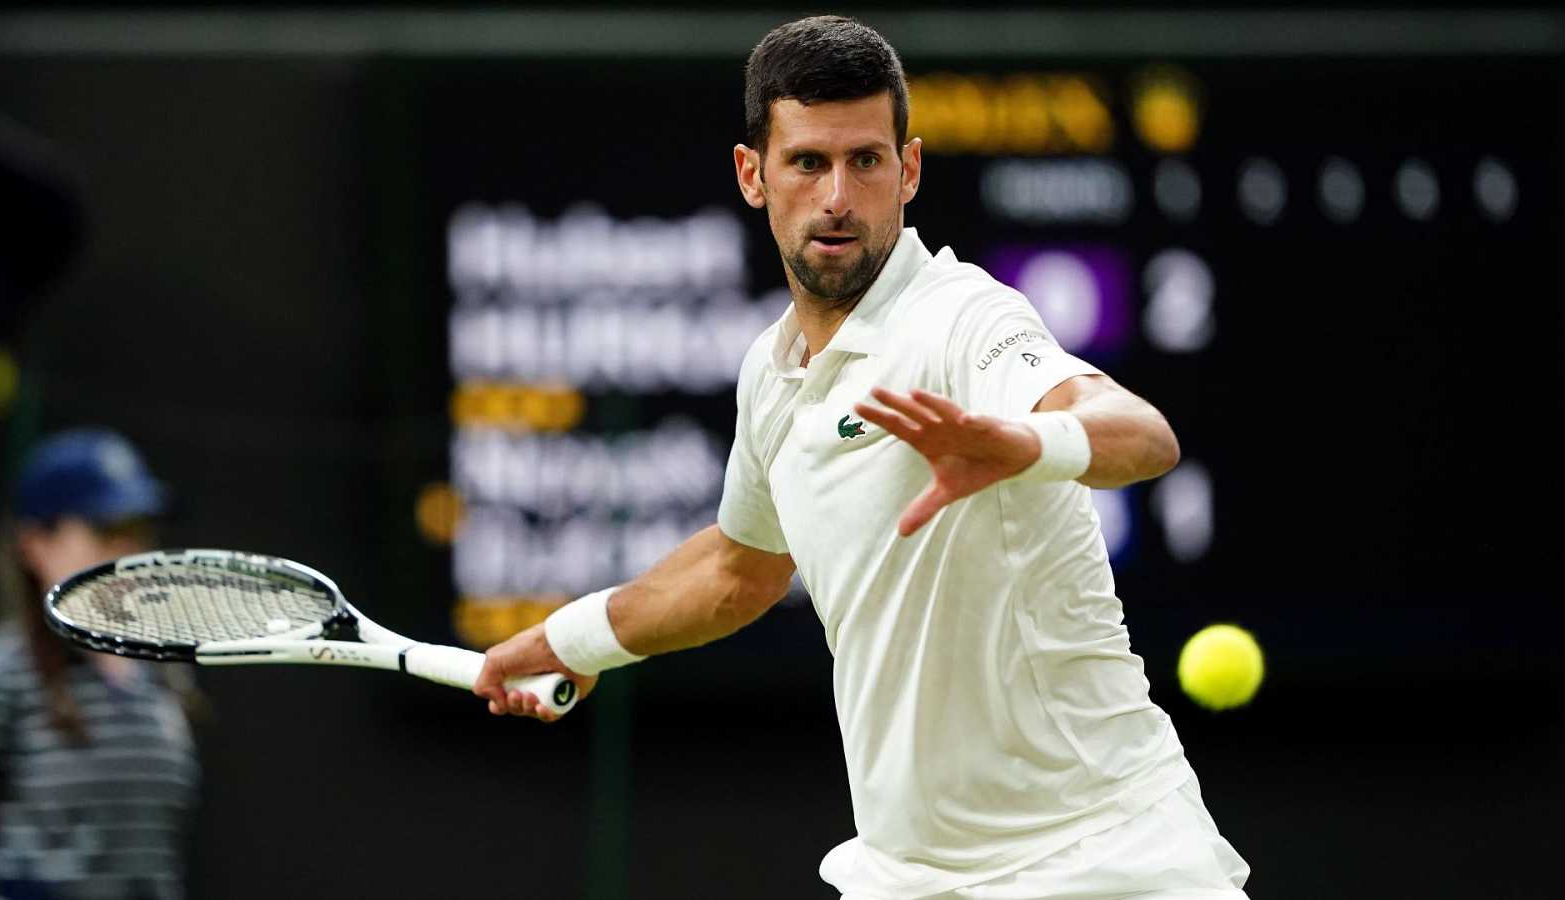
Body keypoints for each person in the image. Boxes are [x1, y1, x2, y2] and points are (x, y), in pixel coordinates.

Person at [475, 16, 1251, 900]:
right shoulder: (771, 376)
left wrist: (1026, 442)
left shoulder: (964, 317)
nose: (838, 196)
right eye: (808, 162)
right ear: (753, 175)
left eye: (867, 161)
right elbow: (740, 569)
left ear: (908, 170)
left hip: (1104, 857)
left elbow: (1142, 434)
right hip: (909, 875)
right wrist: (572, 640)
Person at [0, 429, 199, 900]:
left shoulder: (161, 674)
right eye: (107, 530)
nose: (129, 551)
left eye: (138, 530)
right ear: (35, 544)